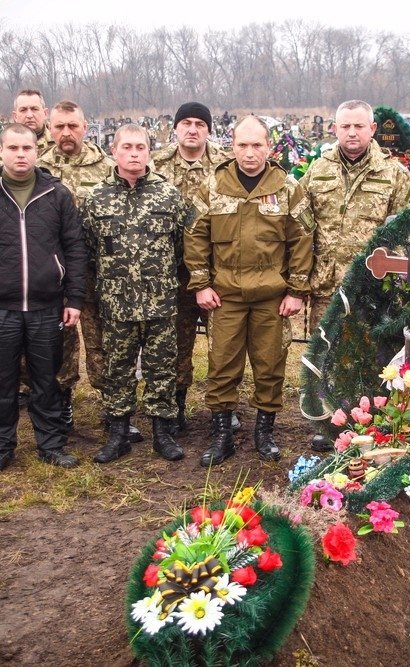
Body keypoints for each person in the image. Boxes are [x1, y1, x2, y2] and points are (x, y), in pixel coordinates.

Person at [0, 123, 86, 474]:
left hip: (46, 306)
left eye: (27, 148)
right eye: (13, 148)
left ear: (37, 150)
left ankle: (51, 444)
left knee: (47, 378)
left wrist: (74, 298)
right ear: (0, 151)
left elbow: (74, 248)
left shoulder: (56, 195)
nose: (21, 155)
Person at [185, 115, 314, 466]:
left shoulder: (287, 187)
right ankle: (222, 434)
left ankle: (264, 432)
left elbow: (302, 241)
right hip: (225, 295)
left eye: (257, 145)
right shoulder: (214, 185)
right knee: (221, 364)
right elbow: (194, 235)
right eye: (243, 145)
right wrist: (201, 284)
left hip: (271, 298)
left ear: (268, 148)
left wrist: (297, 291)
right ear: (232, 146)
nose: (250, 152)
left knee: (270, 364)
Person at [299, 99, 410, 451]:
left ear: (372, 129)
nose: (351, 132)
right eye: (345, 126)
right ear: (334, 129)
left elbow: (408, 236)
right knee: (327, 356)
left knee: (370, 356)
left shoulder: (394, 175)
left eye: (359, 126)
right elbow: (302, 227)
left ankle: (366, 422)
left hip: (371, 290)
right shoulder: (317, 172)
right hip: (327, 287)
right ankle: (329, 423)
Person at [80, 124, 195, 464]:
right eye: (126, 147)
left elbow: (183, 247)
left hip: (160, 301)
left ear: (149, 152)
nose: (134, 153)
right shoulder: (95, 198)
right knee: (118, 368)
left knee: (162, 368)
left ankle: (163, 432)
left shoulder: (169, 196)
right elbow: (87, 250)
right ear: (113, 152)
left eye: (140, 147)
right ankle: (118, 433)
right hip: (115, 304)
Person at [151, 102, 232, 433]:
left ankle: (223, 408)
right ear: (175, 128)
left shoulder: (226, 165)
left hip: (219, 270)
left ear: (209, 130)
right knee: (176, 343)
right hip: (171, 272)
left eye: (200, 123)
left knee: (223, 344)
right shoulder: (155, 165)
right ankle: (176, 403)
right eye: (186, 122)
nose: (193, 129)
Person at [35, 100, 116, 431]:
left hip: (98, 272)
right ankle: (62, 402)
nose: (66, 133)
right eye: (59, 127)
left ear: (85, 126)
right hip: (55, 274)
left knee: (104, 341)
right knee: (60, 342)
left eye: (72, 126)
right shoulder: (37, 169)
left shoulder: (106, 167)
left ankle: (113, 406)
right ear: (50, 129)